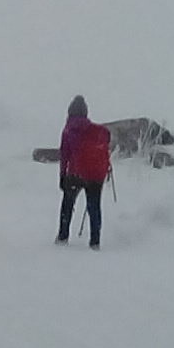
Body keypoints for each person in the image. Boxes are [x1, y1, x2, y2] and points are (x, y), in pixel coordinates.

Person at [57, 93, 112, 249]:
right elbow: (107, 142)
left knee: (67, 205)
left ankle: (63, 237)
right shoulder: (98, 131)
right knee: (94, 206)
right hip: (96, 175)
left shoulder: (68, 131)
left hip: (75, 174)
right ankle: (95, 242)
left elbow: (64, 155)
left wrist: (62, 176)